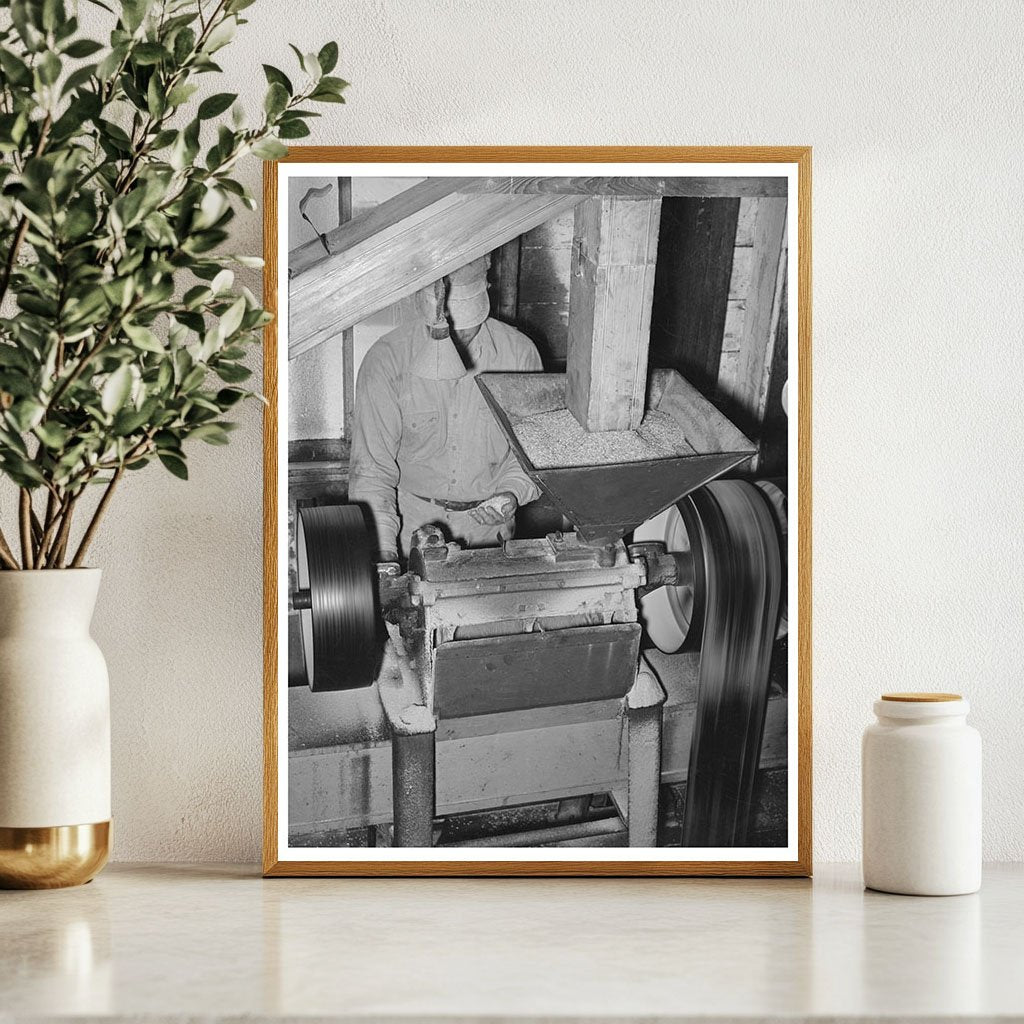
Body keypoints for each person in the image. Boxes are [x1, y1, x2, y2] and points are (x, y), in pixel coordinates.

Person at [348, 256, 542, 563]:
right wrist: (384, 556)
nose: (455, 338)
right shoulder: (386, 361)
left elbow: (532, 453)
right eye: (443, 327)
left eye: (465, 327)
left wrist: (511, 493)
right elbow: (371, 471)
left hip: (490, 539)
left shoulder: (519, 355)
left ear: (486, 294)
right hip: (409, 531)